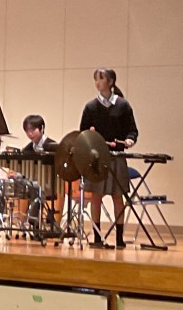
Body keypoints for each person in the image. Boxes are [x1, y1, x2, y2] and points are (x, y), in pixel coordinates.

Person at [80, 68, 138, 249]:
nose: (97, 82)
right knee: (96, 197)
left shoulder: (123, 105)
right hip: (97, 158)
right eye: (96, 79)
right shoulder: (90, 107)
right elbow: (83, 132)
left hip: (117, 156)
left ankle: (119, 238)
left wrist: (130, 140)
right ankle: (97, 237)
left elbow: (132, 130)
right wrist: (90, 135)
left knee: (117, 196)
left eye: (101, 79)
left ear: (111, 82)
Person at [20, 115, 63, 225]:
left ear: (42, 128)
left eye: (33, 130)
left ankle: (33, 219)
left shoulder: (53, 146)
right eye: (27, 131)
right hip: (32, 182)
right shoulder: (27, 149)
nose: (30, 134)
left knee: (36, 187)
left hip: (50, 184)